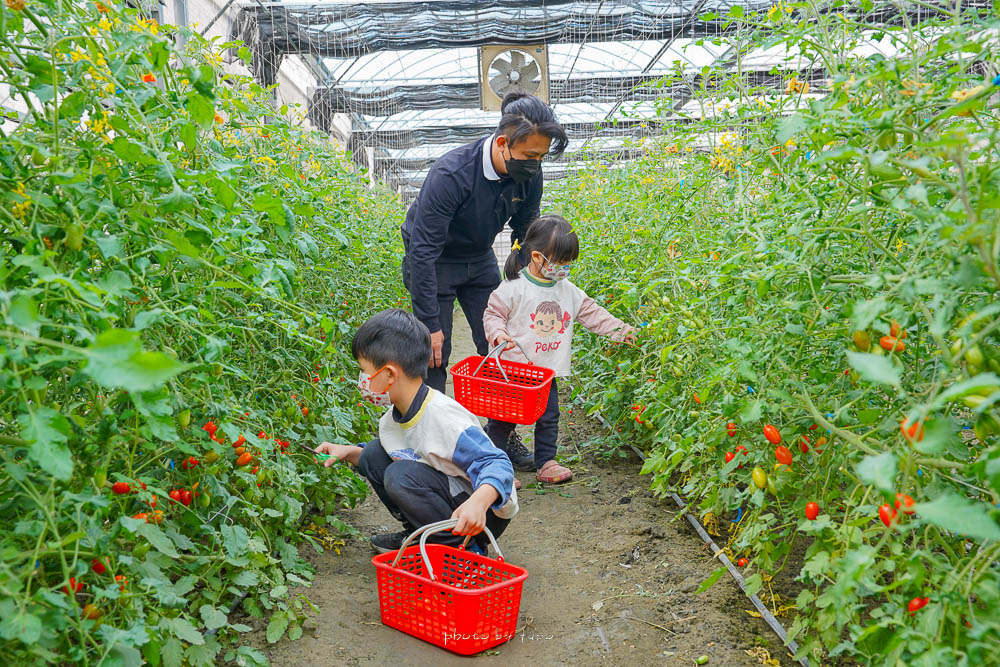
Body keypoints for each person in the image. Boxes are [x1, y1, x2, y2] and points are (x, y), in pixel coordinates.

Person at [400, 92, 568, 398]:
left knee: (501, 345)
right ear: (503, 143)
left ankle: (500, 435)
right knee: (434, 352)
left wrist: (529, 287)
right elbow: (422, 251)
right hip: (434, 261)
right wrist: (429, 324)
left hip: (478, 258)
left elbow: (526, 232)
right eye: (531, 156)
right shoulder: (451, 175)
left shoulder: (530, 174)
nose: (536, 164)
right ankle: (432, 438)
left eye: (541, 156)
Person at [315, 309, 518, 554]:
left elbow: (497, 462)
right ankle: (421, 532)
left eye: (364, 371)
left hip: (483, 512)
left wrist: (478, 502)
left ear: (389, 373)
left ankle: (462, 548)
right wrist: (346, 452)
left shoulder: (444, 418)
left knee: (401, 475)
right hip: (452, 495)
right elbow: (399, 451)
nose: (362, 381)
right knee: (372, 454)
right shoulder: (394, 417)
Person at [482, 216, 636, 483]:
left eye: (567, 263)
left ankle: (546, 462)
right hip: (511, 371)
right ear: (537, 257)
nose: (563, 269)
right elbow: (492, 315)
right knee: (502, 421)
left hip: (546, 371)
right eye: (559, 262)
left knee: (549, 417)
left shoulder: (567, 291)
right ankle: (494, 468)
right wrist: (498, 335)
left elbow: (592, 313)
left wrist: (622, 332)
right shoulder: (514, 288)